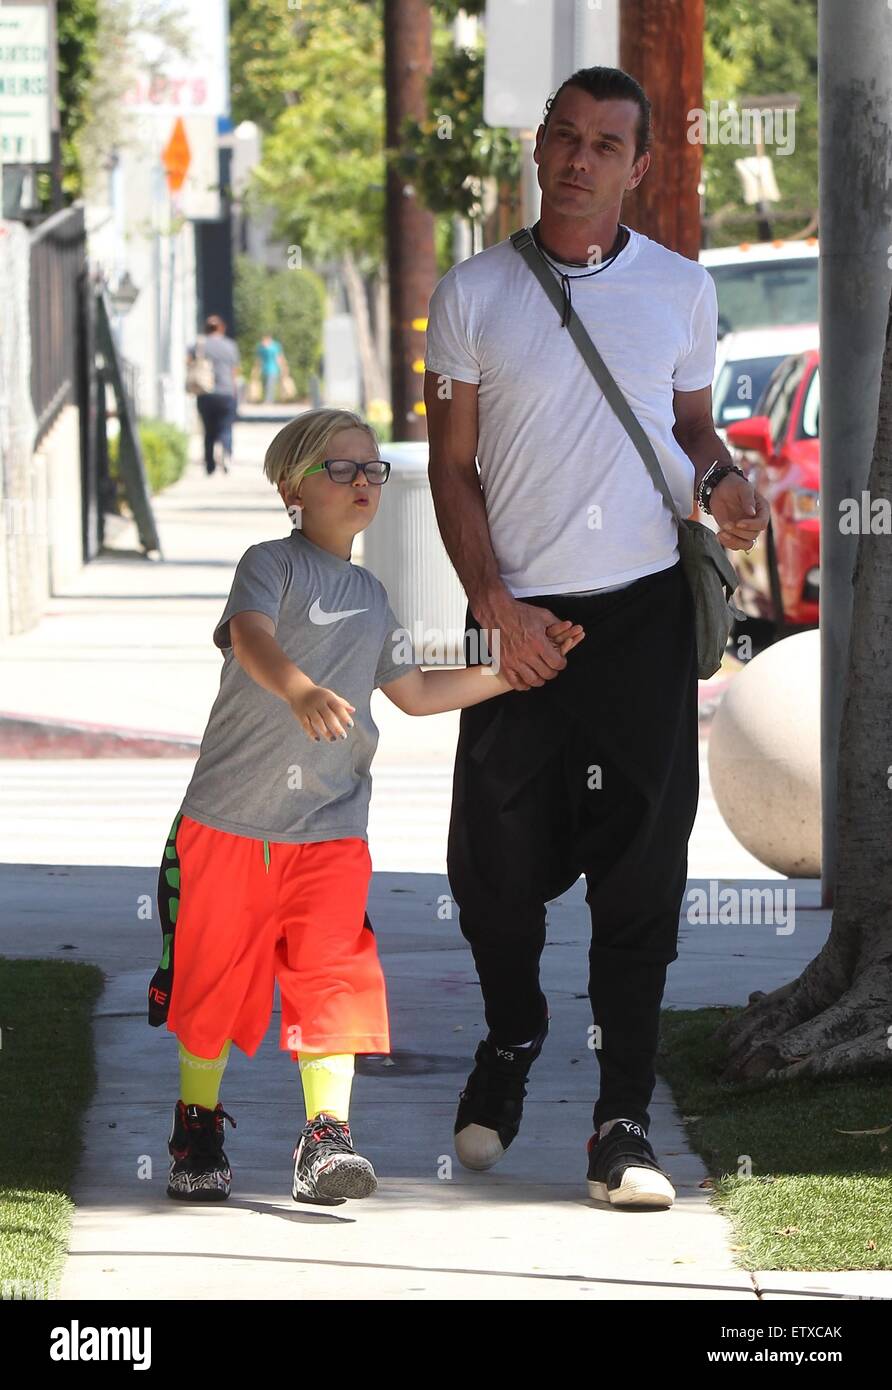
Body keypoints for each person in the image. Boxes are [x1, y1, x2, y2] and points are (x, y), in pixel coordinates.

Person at [424, 65, 769, 1210]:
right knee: (491, 869)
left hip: (639, 618)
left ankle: (621, 1120)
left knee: (642, 872)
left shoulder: (679, 287)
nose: (577, 159)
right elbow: (451, 463)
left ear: (638, 167)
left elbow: (685, 428)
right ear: (538, 149)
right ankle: (513, 1033)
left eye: (603, 145)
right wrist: (493, 609)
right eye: (562, 138)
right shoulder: (472, 292)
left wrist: (723, 482)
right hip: (515, 618)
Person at [146, 406, 584, 1205]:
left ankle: (326, 1141)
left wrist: (516, 668)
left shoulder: (372, 595)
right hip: (228, 825)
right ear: (293, 486)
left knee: (334, 978)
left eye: (372, 470)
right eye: (341, 469)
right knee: (210, 988)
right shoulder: (269, 565)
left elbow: (415, 692)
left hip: (330, 828)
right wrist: (301, 690)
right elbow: (248, 635)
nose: (361, 483)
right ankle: (197, 1128)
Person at [187, 315, 240, 475]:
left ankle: (209, 464)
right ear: (222, 328)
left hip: (205, 392)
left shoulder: (199, 344)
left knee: (208, 430)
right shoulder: (230, 345)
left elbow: (188, 362)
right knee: (226, 427)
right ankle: (226, 452)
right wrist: (235, 392)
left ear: (206, 328)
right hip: (226, 393)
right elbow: (234, 371)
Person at [254, 334, 289, 404]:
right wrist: (256, 370)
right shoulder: (261, 347)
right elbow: (259, 360)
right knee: (265, 385)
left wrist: (283, 368)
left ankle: (269, 400)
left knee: (270, 385)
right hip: (264, 369)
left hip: (273, 369)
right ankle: (268, 399)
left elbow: (279, 358)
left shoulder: (275, 347)